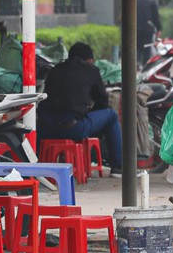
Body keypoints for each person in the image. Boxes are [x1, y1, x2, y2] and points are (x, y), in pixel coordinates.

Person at [37, 42, 122, 177]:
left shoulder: (55, 69)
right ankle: (118, 167)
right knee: (111, 115)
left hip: (45, 128)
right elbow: (102, 102)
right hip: (73, 128)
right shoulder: (91, 70)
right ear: (89, 60)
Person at [136, 0, 161, 66]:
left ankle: (136, 64)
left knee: (136, 47)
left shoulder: (132, 1)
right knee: (146, 48)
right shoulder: (151, 2)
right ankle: (145, 65)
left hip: (135, 29)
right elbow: (156, 17)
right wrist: (159, 29)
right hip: (148, 29)